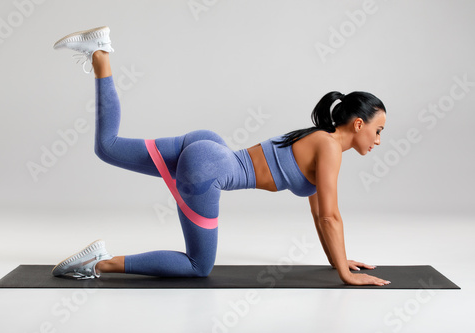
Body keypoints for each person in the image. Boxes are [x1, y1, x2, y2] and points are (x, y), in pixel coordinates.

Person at [51, 26, 390, 286]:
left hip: (210, 149)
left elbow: (321, 217)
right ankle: (98, 263)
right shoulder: (329, 147)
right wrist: (347, 275)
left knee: (107, 146)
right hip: (207, 168)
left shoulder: (318, 140)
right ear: (358, 124)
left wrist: (340, 262)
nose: (378, 140)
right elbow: (331, 217)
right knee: (199, 266)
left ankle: (101, 54)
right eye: (377, 131)